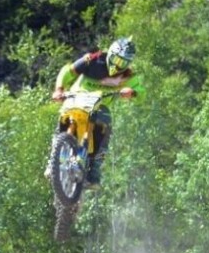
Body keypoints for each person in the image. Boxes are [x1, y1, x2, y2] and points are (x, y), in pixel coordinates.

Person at [50, 37, 144, 189]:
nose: (118, 65)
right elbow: (68, 71)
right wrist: (59, 89)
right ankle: (53, 160)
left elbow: (141, 92)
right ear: (110, 54)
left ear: (128, 63)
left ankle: (94, 171)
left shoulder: (128, 76)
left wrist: (132, 92)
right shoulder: (92, 60)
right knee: (64, 117)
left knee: (105, 126)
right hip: (78, 97)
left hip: (100, 104)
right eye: (116, 59)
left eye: (123, 63)